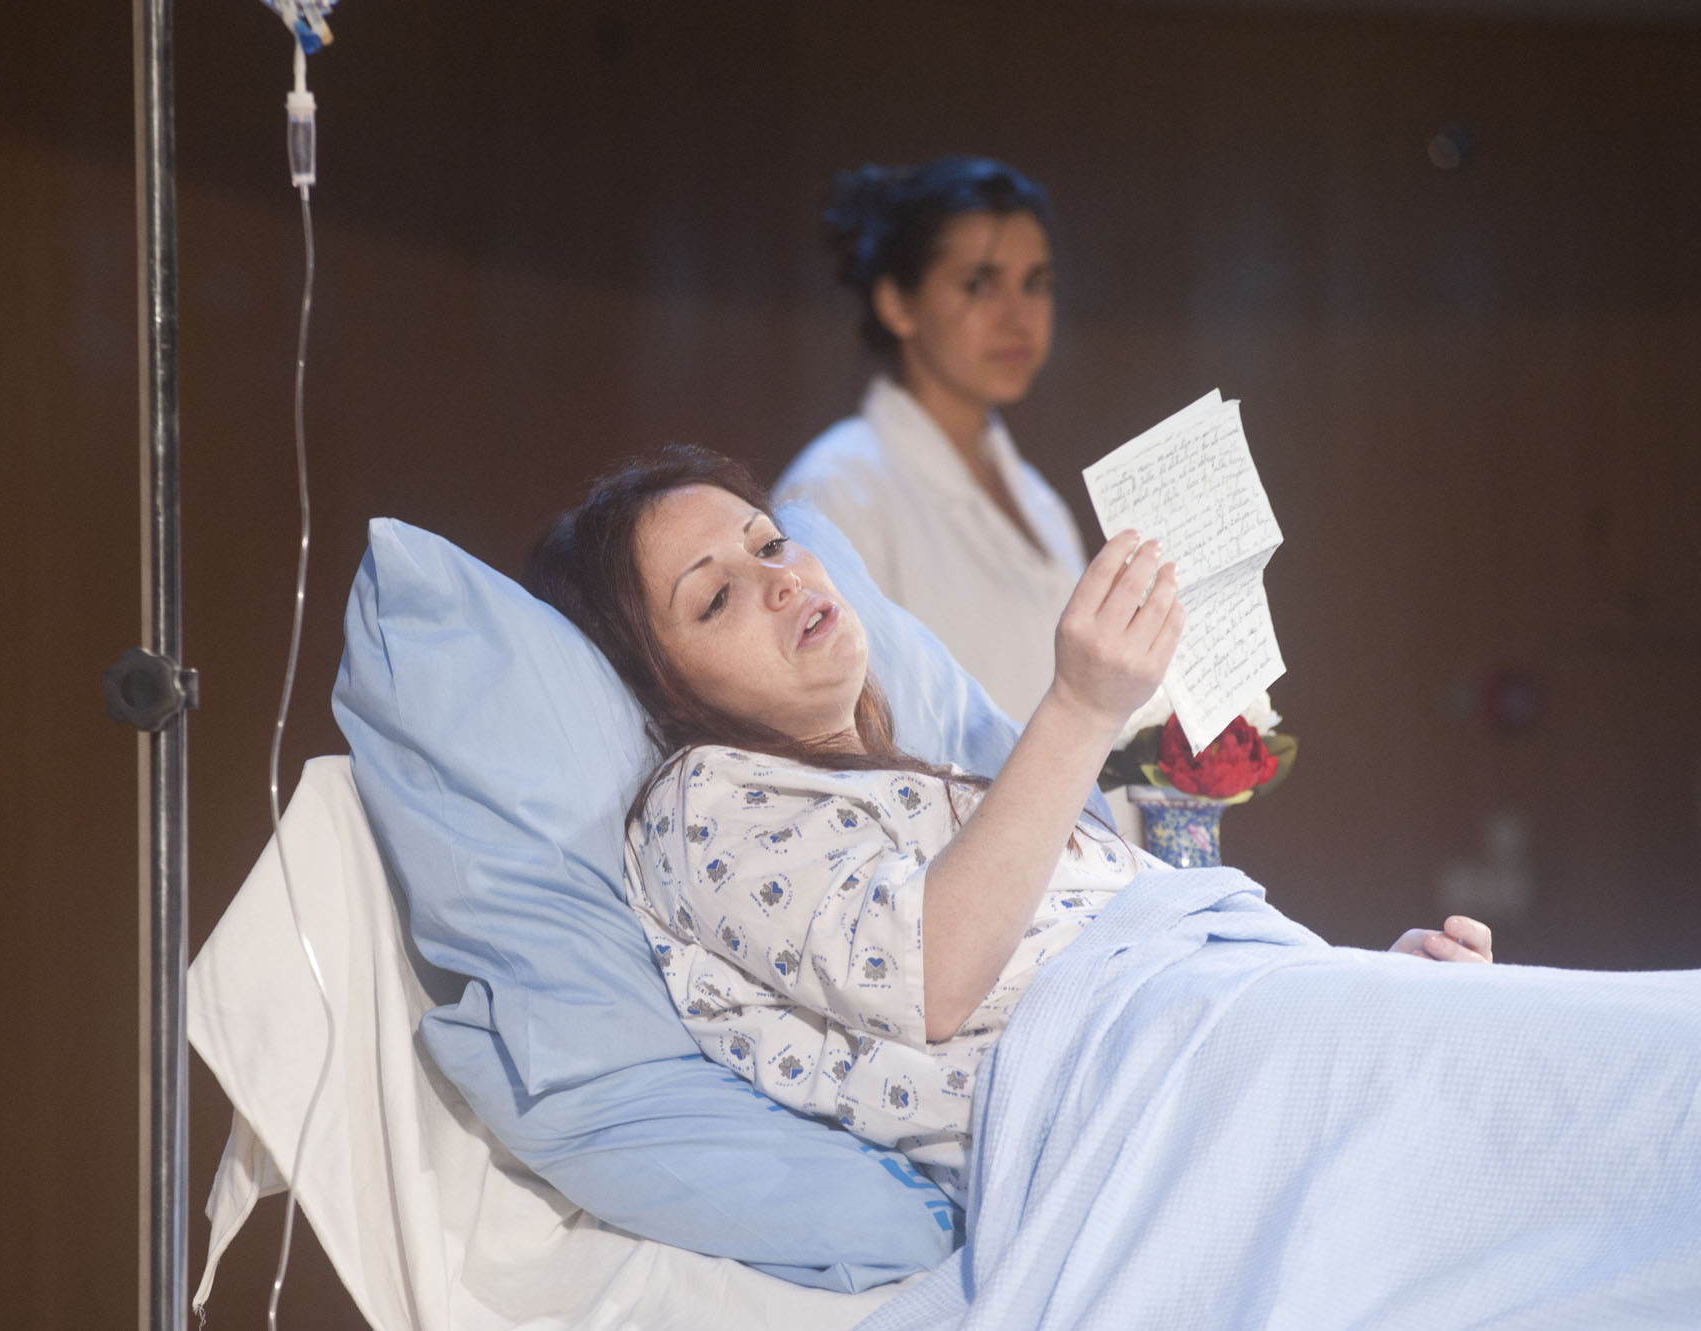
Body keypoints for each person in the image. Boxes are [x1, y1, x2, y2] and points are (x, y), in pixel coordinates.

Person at [528, 445, 1492, 1201]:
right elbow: (926, 976)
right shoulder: (698, 802)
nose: (780, 580)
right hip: (1161, 1128)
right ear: (664, 688)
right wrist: (1081, 706)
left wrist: (1361, 982)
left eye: (769, 543)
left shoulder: (925, 790)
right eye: (715, 597)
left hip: (1245, 1057)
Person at [777, 156, 1086, 723]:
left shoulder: (1042, 502)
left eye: (1036, 284)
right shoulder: (836, 490)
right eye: (979, 285)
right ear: (898, 304)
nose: (1018, 318)